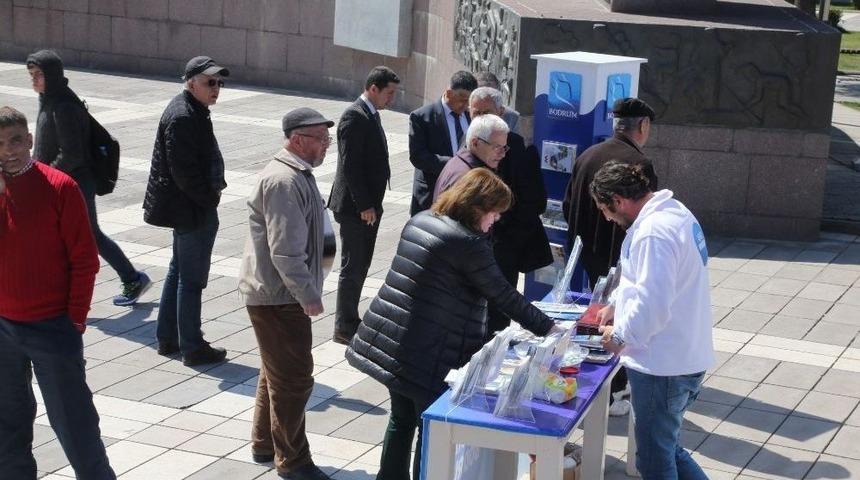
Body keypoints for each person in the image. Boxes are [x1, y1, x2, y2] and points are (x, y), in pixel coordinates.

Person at [346, 168, 555, 480]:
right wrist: (551, 329)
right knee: (428, 429)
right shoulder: (468, 244)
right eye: (494, 213)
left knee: (401, 419)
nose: (495, 221)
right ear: (475, 208)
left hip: (391, 341)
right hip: (427, 352)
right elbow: (504, 295)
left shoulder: (421, 220)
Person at [0, 106, 116, 480]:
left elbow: (85, 261)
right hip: (3, 328)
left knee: (75, 423)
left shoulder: (59, 187)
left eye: (16, 140)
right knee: (8, 424)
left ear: (30, 140)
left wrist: (76, 320)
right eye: (0, 144)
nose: (9, 150)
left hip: (53, 326)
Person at [593, 161, 714, 480]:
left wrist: (619, 336)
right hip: (682, 356)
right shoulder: (674, 213)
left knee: (655, 461)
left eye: (606, 209)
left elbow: (653, 305)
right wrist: (618, 302)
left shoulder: (653, 233)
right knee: (667, 450)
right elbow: (647, 281)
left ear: (618, 200)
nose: (607, 218)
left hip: (664, 365)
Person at [239, 108, 335, 480]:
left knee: (275, 372)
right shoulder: (283, 181)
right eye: (320, 139)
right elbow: (284, 250)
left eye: (329, 139)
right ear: (297, 140)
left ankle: (265, 443)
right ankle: (293, 462)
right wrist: (307, 293)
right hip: (280, 296)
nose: (327, 146)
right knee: (294, 379)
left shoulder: (297, 175)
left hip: (281, 294)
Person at [26, 49, 150, 306]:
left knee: (90, 235)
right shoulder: (50, 100)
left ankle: (132, 278)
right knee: (65, 237)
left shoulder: (63, 106)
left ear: (52, 75)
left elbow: (71, 153)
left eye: (39, 75)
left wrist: (46, 175)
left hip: (74, 183)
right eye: (31, 75)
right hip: (61, 182)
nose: (34, 80)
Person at [562, 97, 658, 416]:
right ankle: (615, 389)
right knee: (620, 319)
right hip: (621, 257)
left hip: (589, 253)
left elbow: (567, 204)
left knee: (599, 315)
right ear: (642, 126)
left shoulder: (588, 154)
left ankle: (603, 380)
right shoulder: (639, 165)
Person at [143, 56, 229, 366]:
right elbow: (184, 173)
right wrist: (209, 198)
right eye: (210, 82)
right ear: (191, 82)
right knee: (192, 279)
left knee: (179, 270)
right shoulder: (183, 116)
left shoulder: (192, 110)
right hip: (192, 209)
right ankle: (192, 346)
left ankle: (168, 338)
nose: (216, 88)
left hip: (190, 208)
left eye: (219, 83)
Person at [458, 87, 552, 340]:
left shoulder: (517, 148)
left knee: (498, 314)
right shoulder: (468, 141)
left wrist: (506, 239)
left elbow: (533, 201)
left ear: (501, 112)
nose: (479, 119)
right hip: (471, 246)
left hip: (502, 248)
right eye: (474, 113)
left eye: (486, 113)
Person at [328, 66, 400, 345]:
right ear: (373, 89)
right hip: (356, 208)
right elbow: (351, 166)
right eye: (389, 93)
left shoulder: (370, 114)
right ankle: (344, 326)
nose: (391, 99)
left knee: (361, 264)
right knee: (353, 265)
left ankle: (350, 318)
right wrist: (365, 205)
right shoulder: (354, 116)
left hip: (368, 206)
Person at [408, 70, 478, 215]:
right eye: (462, 99)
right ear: (449, 93)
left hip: (465, 196)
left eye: (469, 100)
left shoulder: (472, 116)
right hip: (433, 194)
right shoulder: (422, 117)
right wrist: (455, 166)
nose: (466, 105)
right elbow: (418, 156)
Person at [431, 113, 508, 199]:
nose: (503, 154)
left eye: (504, 147)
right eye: (496, 147)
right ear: (475, 143)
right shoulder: (467, 179)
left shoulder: (461, 163)